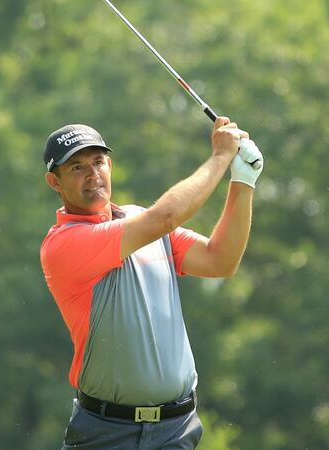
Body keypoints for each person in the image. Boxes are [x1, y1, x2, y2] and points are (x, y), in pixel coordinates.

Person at [39, 117, 264, 449]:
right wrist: (220, 157)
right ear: (54, 181)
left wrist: (242, 181)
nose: (92, 174)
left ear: (110, 164)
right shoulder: (64, 244)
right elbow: (166, 217)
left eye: (98, 161)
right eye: (76, 167)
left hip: (176, 430)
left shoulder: (142, 222)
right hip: (107, 433)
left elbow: (221, 260)